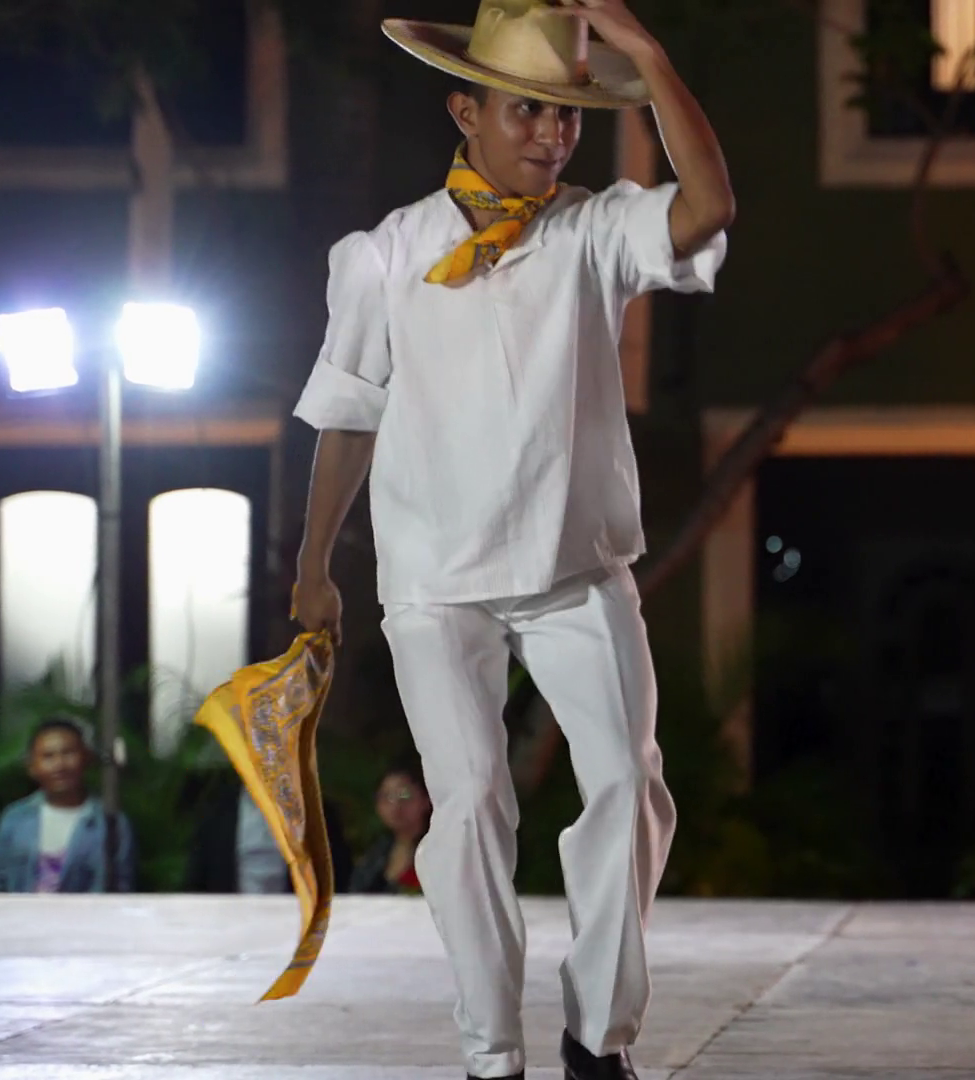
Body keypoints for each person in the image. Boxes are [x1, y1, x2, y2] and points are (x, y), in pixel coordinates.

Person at [288, 1, 731, 1077]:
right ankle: (493, 1056)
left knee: (629, 785)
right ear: (465, 111)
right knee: (473, 801)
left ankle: (597, 1037)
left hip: (578, 568)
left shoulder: (594, 230)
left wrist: (648, 56)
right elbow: (349, 415)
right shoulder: (387, 255)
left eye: (567, 115)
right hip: (434, 581)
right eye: (526, 110)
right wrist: (314, 568)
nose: (551, 133)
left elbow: (710, 205)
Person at [0, 718, 136, 893]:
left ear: (86, 758)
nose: (59, 765)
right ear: (32, 767)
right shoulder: (15, 818)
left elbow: (121, 888)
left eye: (68, 753)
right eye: (48, 756)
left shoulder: (110, 823)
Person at [183, 773, 353, 895]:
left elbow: (338, 877)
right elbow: (197, 881)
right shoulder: (216, 815)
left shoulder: (317, 814)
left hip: (295, 921)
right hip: (231, 921)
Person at [349, 758, 432, 895]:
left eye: (405, 795)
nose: (396, 806)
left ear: (426, 800)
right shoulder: (376, 853)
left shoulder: (438, 849)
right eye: (387, 797)